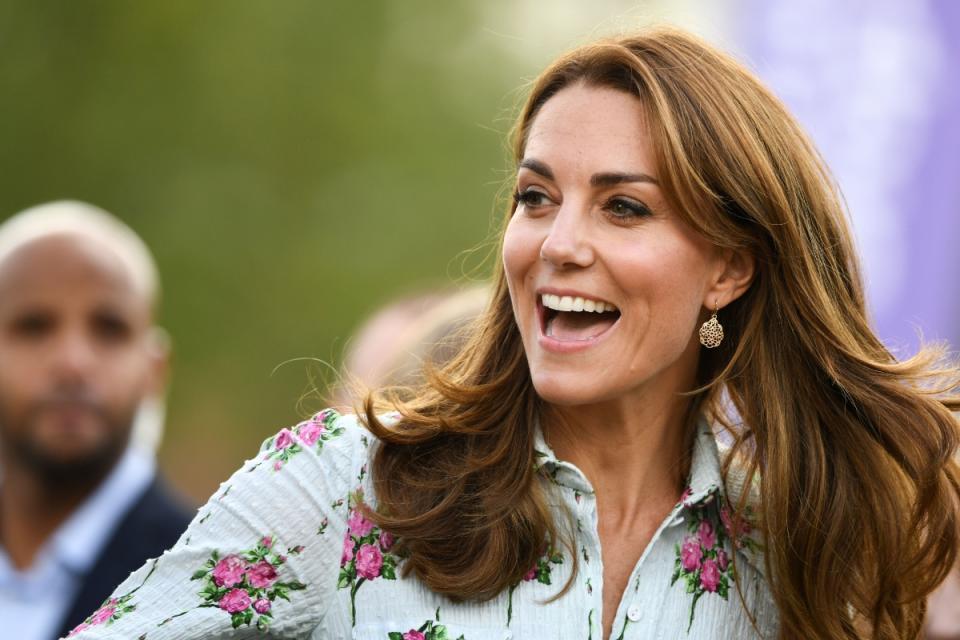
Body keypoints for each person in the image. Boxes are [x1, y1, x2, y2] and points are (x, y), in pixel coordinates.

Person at [64, 27, 960, 640]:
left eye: (624, 207)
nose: (559, 244)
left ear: (728, 267)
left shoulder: (798, 550)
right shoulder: (345, 483)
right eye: (537, 197)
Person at [0, 201, 194, 640]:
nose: (72, 363)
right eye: (33, 326)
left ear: (154, 370)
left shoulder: (213, 583)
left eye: (109, 328)